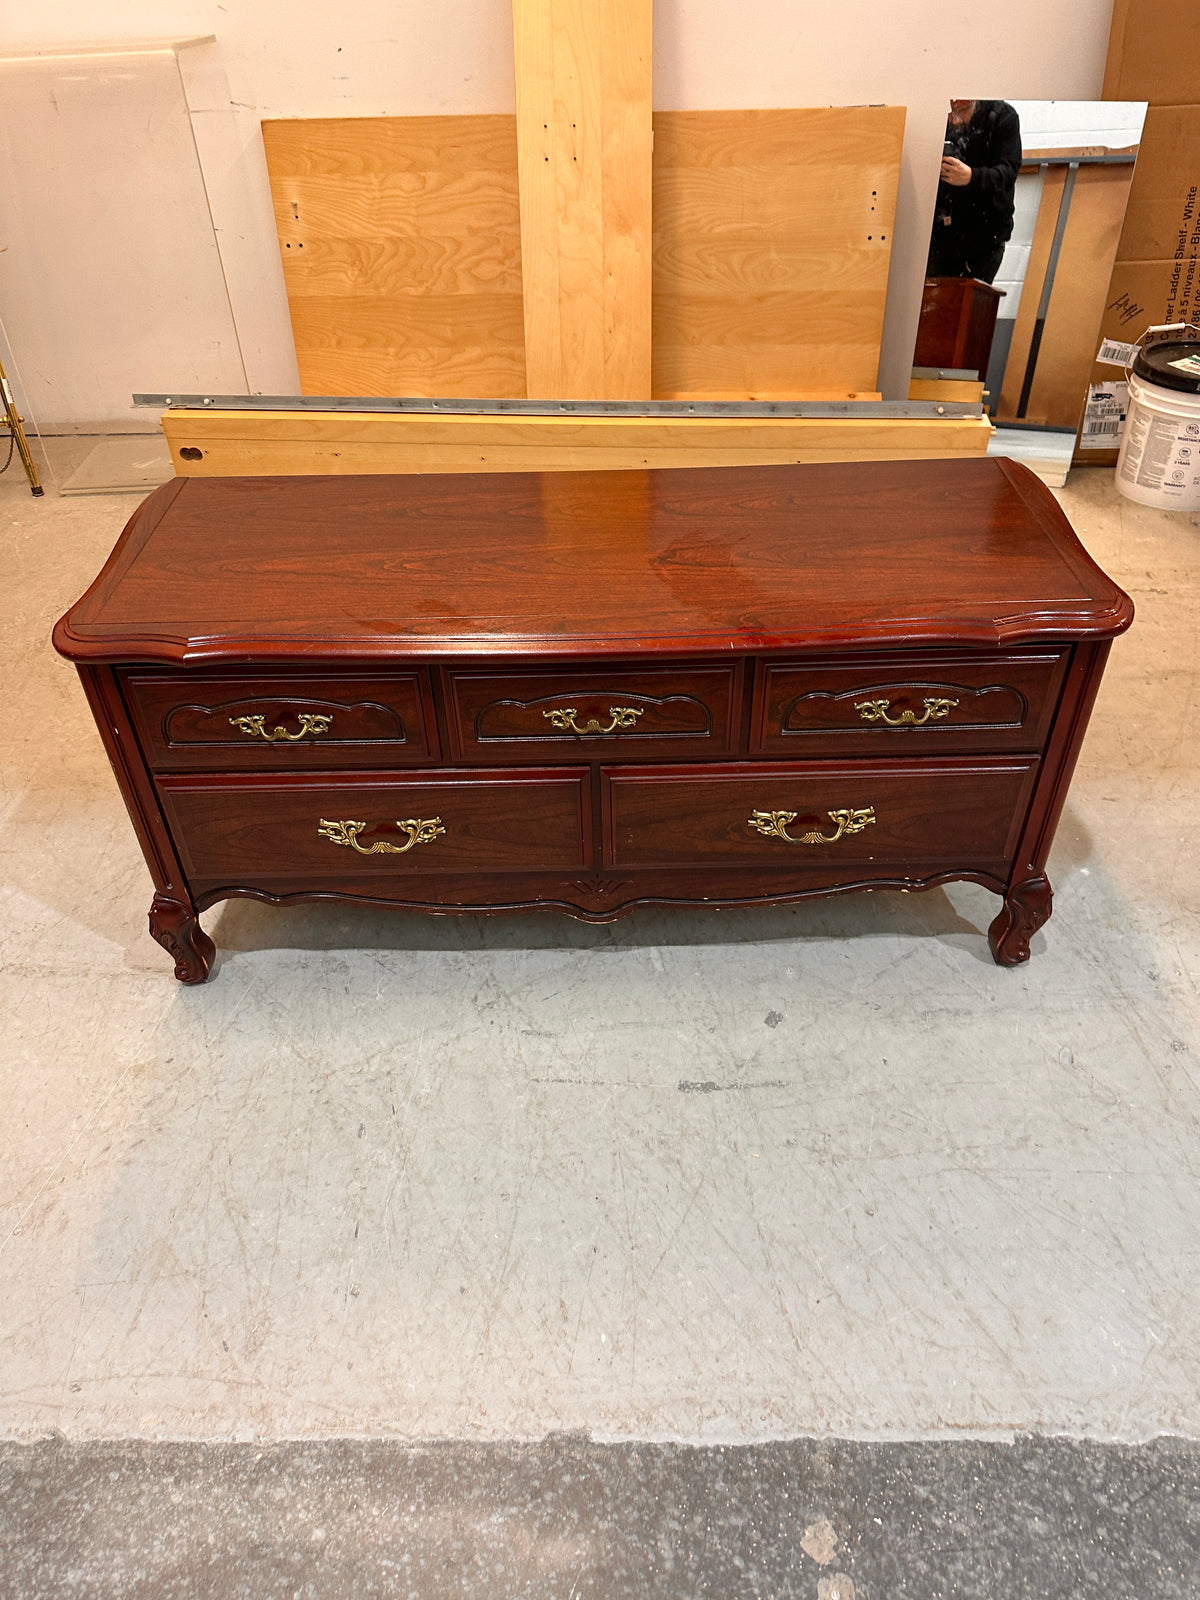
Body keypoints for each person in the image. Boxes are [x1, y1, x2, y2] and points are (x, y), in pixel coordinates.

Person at [926, 99, 1022, 284]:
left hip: (984, 238)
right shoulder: (934, 116)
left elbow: (1008, 172)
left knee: (968, 306)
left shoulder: (1002, 116)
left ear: (974, 101)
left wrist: (972, 177)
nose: (954, 120)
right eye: (950, 112)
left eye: (962, 111)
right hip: (940, 236)